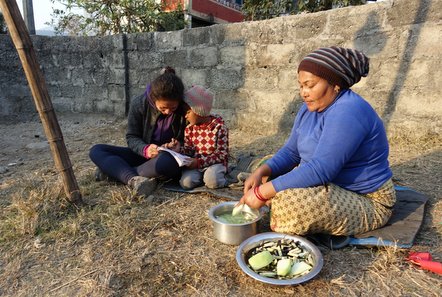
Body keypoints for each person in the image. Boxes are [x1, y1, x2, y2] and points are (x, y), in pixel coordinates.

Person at [239, 47, 396, 242]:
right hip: (331, 185)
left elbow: (321, 169)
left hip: (366, 199)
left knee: (290, 204)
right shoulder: (308, 109)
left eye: (310, 85)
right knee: (265, 167)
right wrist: (261, 171)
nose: (303, 93)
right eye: (301, 86)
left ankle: (277, 202)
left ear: (335, 83)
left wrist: (262, 193)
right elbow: (291, 152)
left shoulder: (348, 111)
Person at [89, 67, 187, 197]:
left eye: (173, 107)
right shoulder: (139, 104)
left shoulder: (185, 108)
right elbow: (132, 137)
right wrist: (145, 149)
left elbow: (188, 138)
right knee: (97, 150)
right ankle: (133, 179)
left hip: (166, 158)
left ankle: (114, 173)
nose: (168, 112)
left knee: (167, 163)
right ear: (153, 98)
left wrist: (177, 145)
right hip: (142, 156)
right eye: (163, 108)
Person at [166, 85, 229, 189]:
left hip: (215, 164)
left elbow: (222, 155)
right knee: (186, 183)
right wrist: (179, 149)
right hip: (196, 164)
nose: (185, 116)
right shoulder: (189, 129)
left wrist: (199, 162)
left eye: (188, 112)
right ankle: (204, 177)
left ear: (199, 111)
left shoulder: (219, 127)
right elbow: (189, 150)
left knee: (213, 182)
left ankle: (221, 177)